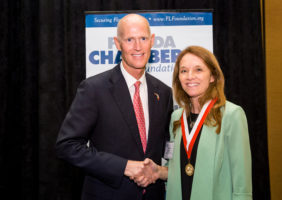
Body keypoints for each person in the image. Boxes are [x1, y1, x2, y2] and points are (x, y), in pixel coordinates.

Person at [55, 14, 173, 200]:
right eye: (129, 40)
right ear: (117, 44)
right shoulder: (94, 89)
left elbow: (169, 146)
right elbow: (67, 146)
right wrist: (124, 166)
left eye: (143, 38)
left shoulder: (164, 92)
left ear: (152, 41)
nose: (137, 46)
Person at [146, 46, 252, 200]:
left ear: (212, 77)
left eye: (198, 70)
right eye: (183, 71)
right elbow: (176, 169)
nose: (190, 76)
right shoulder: (176, 118)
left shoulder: (232, 115)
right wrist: (158, 172)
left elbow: (242, 182)